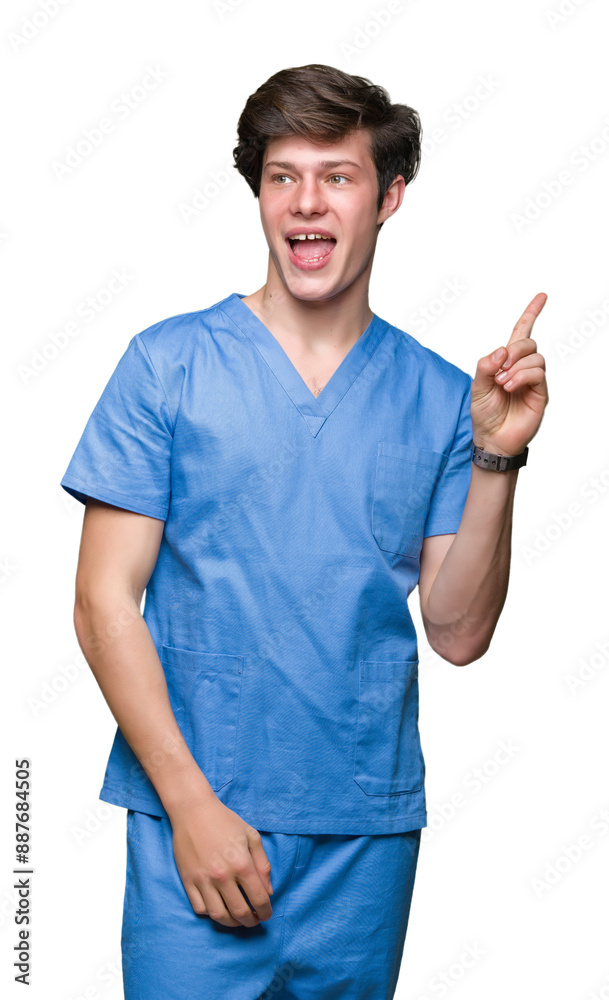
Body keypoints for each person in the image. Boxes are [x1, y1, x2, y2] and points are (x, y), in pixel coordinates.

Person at [60, 63, 549, 1000]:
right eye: (282, 176)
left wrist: (496, 457)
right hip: (193, 827)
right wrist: (190, 806)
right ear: (258, 194)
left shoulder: (445, 398)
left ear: (388, 196)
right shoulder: (167, 366)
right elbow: (100, 602)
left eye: (337, 175)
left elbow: (456, 632)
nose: (306, 202)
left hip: (362, 835)